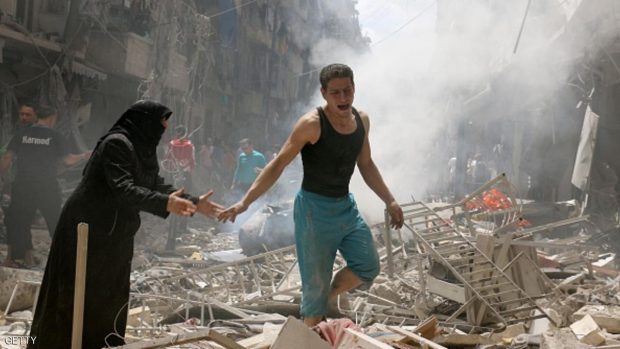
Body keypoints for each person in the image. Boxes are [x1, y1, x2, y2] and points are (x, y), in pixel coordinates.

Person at [218, 64, 404, 326]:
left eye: (347, 91)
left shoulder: (362, 121)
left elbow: (366, 164)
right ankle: (311, 321)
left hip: (345, 209)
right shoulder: (311, 124)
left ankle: (324, 298)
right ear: (324, 93)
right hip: (313, 212)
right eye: (335, 92)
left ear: (354, 89)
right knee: (313, 294)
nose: (342, 98)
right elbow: (277, 165)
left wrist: (390, 200)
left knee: (368, 266)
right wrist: (244, 202)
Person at [27, 100, 223, 349]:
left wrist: (192, 202)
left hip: (115, 231)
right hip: (88, 228)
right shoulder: (117, 144)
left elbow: (153, 184)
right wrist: (165, 203)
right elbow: (124, 189)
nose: (162, 133)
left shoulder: (141, 150)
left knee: (111, 293)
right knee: (77, 293)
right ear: (142, 123)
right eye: (159, 126)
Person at [0, 106, 90, 268]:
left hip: (23, 185)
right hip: (46, 186)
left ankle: (17, 259)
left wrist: (2, 177)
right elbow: (68, 160)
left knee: (20, 222)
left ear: (36, 116)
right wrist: (84, 155)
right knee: (55, 222)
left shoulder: (22, 134)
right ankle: (65, 261)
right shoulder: (55, 136)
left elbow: (7, 158)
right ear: (53, 117)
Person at [164, 125, 196, 248]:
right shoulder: (189, 145)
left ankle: (171, 239)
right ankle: (180, 228)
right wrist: (193, 178)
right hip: (184, 177)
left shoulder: (171, 145)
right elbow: (192, 163)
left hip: (173, 177)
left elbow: (166, 161)